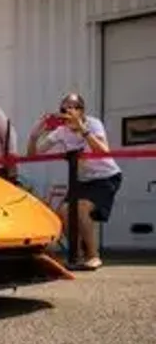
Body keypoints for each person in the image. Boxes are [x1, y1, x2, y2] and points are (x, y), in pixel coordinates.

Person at [27, 92, 122, 271]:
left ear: (81, 110)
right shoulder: (61, 131)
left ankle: (93, 256)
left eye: (71, 108)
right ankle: (76, 255)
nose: (67, 113)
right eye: (63, 110)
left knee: (81, 207)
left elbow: (103, 151)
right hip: (82, 179)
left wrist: (83, 129)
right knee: (64, 212)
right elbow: (33, 155)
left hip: (105, 177)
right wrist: (34, 136)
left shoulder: (93, 124)